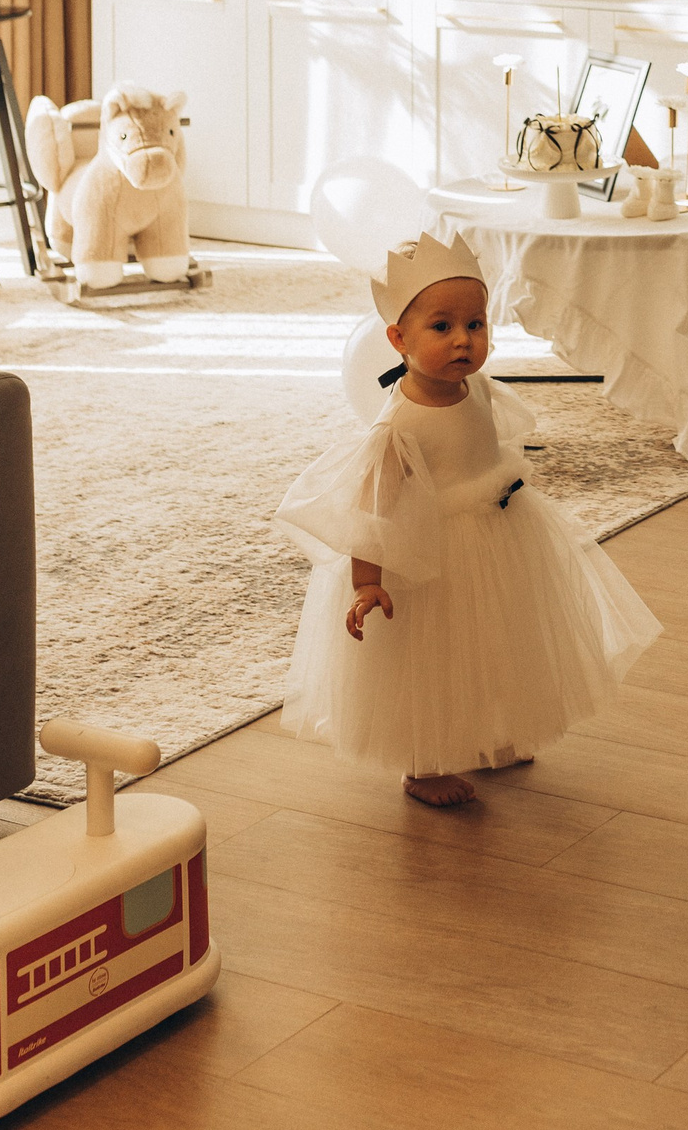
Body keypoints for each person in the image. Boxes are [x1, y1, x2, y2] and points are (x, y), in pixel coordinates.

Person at [277, 228, 661, 808]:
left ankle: (491, 731)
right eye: (442, 327)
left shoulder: (476, 387)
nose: (463, 340)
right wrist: (366, 582)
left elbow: (487, 446)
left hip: (498, 535)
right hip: (432, 558)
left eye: (475, 324)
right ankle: (424, 763)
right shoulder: (398, 426)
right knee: (434, 658)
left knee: (499, 640)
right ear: (398, 338)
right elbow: (372, 510)